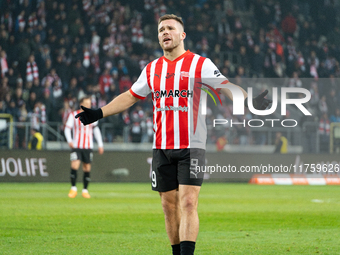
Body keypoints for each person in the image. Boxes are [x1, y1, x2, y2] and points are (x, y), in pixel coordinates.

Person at [75, 14, 271, 255]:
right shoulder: (152, 69)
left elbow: (226, 87)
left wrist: (248, 101)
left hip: (192, 146)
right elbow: (130, 96)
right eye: (160, 30)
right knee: (168, 206)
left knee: (188, 202)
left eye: (170, 28)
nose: (164, 32)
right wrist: (99, 113)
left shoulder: (200, 64)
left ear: (182, 35)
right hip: (161, 147)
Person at [64, 96, 104, 199]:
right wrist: (69, 141)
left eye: (89, 103)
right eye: (86, 103)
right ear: (81, 104)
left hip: (88, 146)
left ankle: (85, 190)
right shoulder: (73, 115)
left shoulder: (93, 116)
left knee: (87, 168)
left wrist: (100, 144)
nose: (88, 105)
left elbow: (96, 130)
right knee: (75, 165)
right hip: (77, 145)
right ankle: (73, 189)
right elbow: (67, 129)